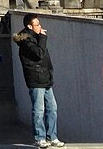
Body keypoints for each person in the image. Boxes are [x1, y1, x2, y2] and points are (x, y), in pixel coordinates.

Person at [14, 13, 65, 148]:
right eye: (37, 24)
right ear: (29, 26)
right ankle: (39, 137)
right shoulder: (26, 40)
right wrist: (42, 37)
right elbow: (39, 54)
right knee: (39, 109)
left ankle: (52, 136)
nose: (40, 27)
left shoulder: (35, 37)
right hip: (36, 79)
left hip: (46, 78)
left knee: (52, 108)